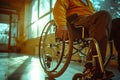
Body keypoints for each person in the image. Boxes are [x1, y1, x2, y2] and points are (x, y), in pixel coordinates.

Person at [53, 0, 113, 79]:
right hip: (77, 20)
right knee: (104, 15)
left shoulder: (89, 2)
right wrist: (61, 24)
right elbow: (59, 7)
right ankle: (93, 67)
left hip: (91, 22)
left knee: (117, 23)